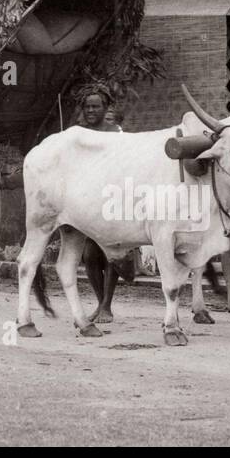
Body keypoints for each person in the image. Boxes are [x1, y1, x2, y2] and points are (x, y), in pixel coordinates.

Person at [74, 87, 134, 322]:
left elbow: (123, 163)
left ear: (105, 108)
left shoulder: (115, 133)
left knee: (111, 253)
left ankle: (107, 305)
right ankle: (101, 303)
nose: (90, 110)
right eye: (87, 106)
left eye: (95, 106)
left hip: (112, 196)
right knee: (89, 255)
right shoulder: (81, 133)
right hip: (89, 200)